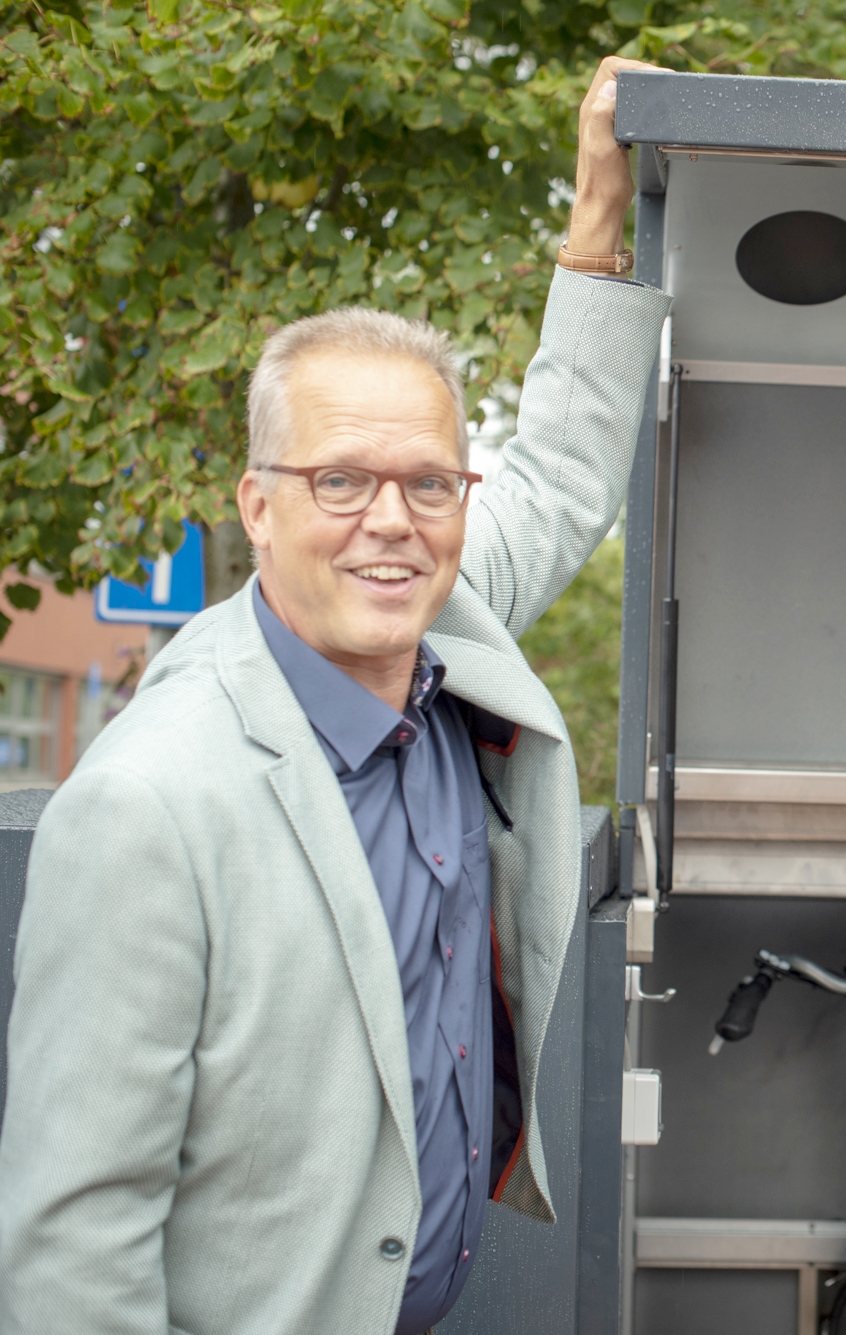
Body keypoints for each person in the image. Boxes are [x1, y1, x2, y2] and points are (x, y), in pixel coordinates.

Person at [0, 56, 670, 1335]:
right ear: (258, 506)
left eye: (429, 483)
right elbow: (75, 1244)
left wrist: (598, 212)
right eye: (339, 483)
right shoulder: (150, 805)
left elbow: (568, 460)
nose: (391, 523)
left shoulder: (441, 627)